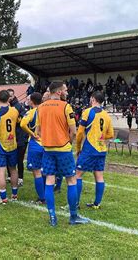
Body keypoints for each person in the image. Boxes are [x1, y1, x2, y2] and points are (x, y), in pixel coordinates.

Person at [37, 81, 89, 227]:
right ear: (59, 92)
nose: (67, 92)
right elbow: (74, 130)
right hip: (63, 149)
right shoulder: (66, 107)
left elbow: (38, 131)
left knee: (49, 182)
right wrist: (68, 142)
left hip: (47, 149)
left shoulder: (40, 107)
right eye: (65, 90)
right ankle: (73, 217)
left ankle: (52, 217)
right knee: (71, 181)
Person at [75, 92, 114, 210]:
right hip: (102, 149)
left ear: (93, 99)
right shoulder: (107, 115)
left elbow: (80, 133)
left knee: (77, 175)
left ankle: (75, 204)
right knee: (99, 176)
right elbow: (111, 134)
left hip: (90, 148)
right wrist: (101, 137)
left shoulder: (88, 111)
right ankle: (97, 204)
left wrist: (78, 148)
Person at [20, 92, 45, 204]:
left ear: (32, 101)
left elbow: (22, 124)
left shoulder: (31, 112)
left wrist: (31, 133)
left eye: (29, 99)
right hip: (47, 143)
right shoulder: (46, 111)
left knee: (37, 172)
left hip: (36, 144)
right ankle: (46, 194)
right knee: (45, 170)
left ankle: (42, 198)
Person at [7, 89, 28, 187]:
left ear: (14, 95)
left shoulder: (19, 106)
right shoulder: (6, 106)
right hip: (10, 137)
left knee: (19, 159)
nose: (9, 98)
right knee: (9, 157)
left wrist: (15, 118)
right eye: (8, 96)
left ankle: (20, 178)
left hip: (20, 137)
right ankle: (9, 175)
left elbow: (24, 120)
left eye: (11, 96)